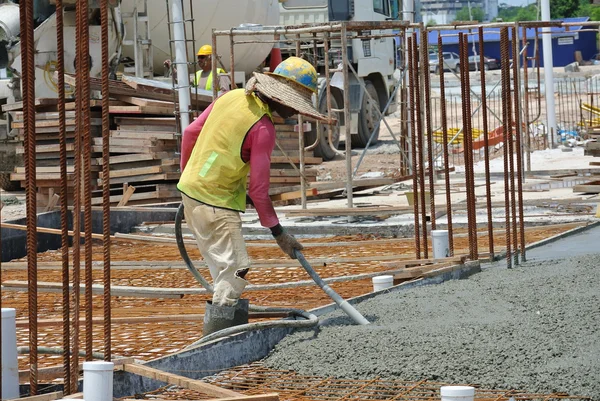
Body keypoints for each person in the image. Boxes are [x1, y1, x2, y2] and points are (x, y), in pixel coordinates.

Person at [177, 56, 330, 316]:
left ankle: (226, 326)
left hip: (192, 195)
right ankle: (221, 335)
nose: (294, 113)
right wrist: (279, 233)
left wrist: (188, 177)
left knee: (222, 272)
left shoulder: (231, 97)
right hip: (216, 203)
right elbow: (259, 191)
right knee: (237, 269)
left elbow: (190, 132)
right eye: (294, 106)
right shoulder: (262, 127)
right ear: (281, 99)